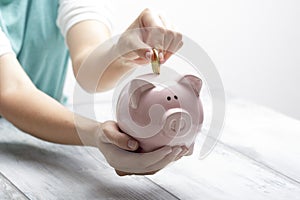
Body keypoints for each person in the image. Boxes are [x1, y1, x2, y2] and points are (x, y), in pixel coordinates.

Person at [0, 0, 189, 176]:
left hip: (46, 134)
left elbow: (88, 68)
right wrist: (95, 133)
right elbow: (12, 91)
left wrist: (120, 51)